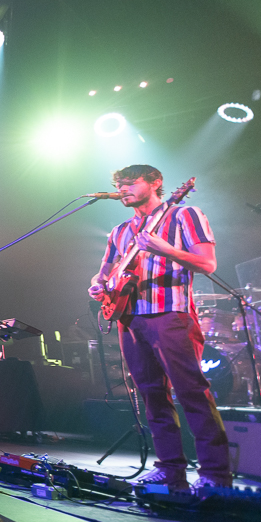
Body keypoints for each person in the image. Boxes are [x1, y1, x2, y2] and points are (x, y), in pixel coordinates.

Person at [88, 164, 231, 491]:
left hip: (170, 314)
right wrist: (98, 286)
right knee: (152, 395)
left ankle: (215, 475)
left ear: (156, 183)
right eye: (119, 185)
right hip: (129, 318)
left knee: (191, 392)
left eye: (130, 183)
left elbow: (208, 263)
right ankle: (170, 469)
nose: (123, 189)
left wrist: (165, 250)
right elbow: (103, 274)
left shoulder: (185, 215)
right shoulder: (120, 231)